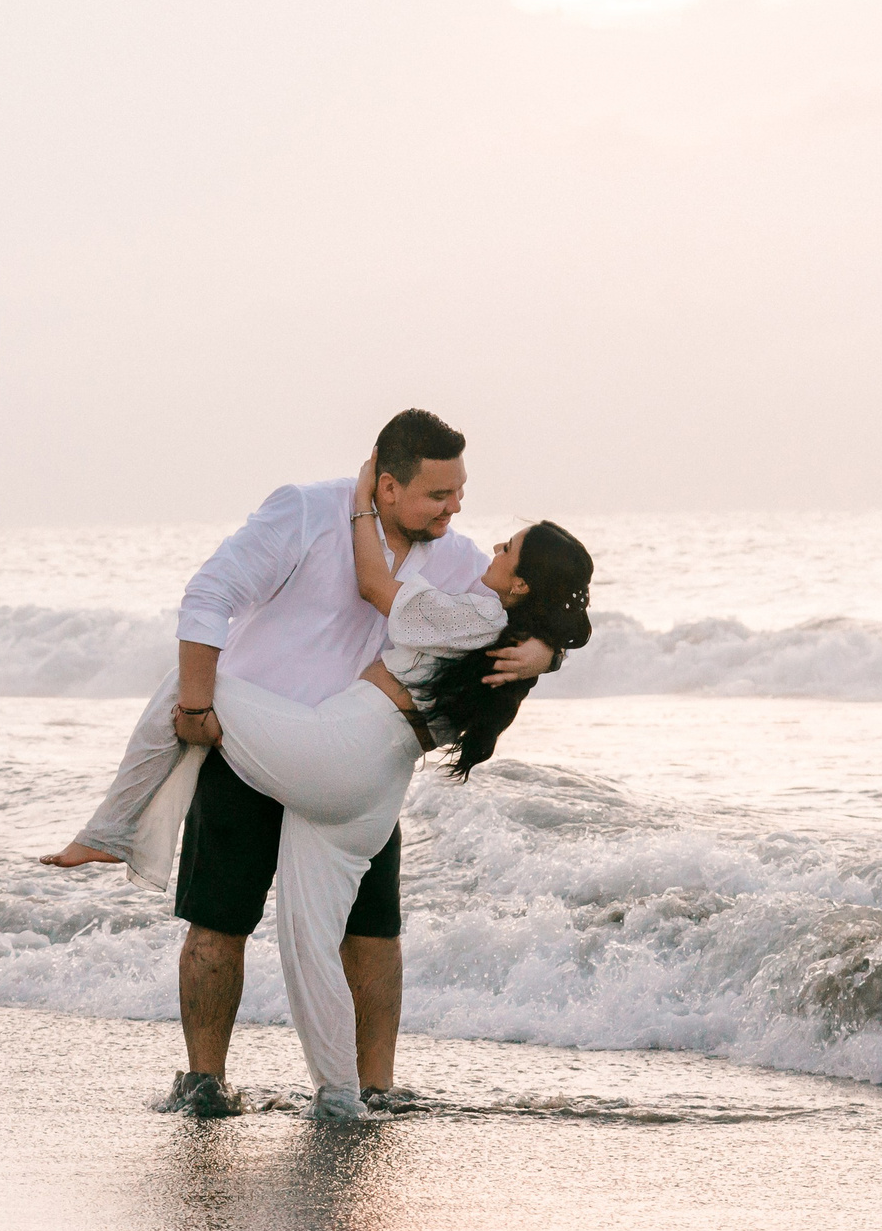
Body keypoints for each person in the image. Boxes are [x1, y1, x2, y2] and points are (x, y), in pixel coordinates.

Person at [40, 410, 579, 1116]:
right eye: (438, 495)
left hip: (344, 757)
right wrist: (203, 708)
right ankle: (299, 1091)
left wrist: (550, 650)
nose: (456, 510)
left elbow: (518, 597)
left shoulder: (455, 558)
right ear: (390, 485)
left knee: (369, 935)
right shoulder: (305, 511)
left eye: (459, 493)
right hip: (273, 742)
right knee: (251, 931)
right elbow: (210, 593)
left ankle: (110, 833)